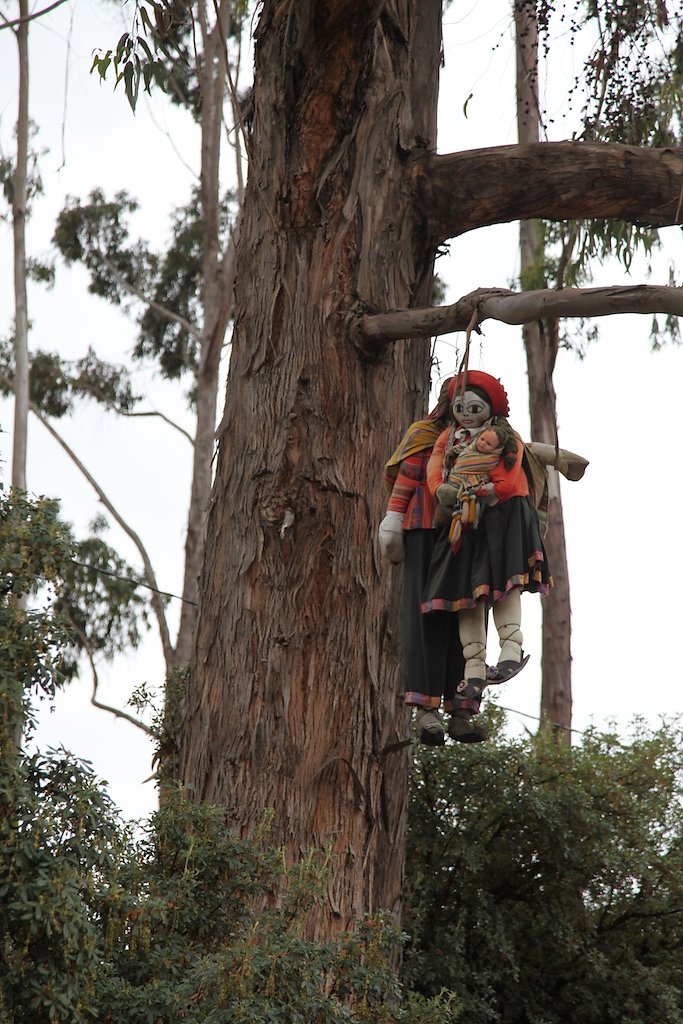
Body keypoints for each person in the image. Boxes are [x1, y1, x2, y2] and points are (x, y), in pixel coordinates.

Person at [421, 371, 552, 741]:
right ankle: (474, 668)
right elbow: (435, 466)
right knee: (467, 599)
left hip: (502, 520)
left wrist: (472, 490)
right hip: (464, 524)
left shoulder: (506, 439)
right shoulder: (449, 439)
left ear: (489, 408)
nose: (466, 413)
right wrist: (441, 490)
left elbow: (509, 483)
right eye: (460, 407)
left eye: (473, 407)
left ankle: (511, 648)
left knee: (504, 587)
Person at [378, 378, 469, 746]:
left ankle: (462, 706)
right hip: (423, 530)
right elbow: (410, 475)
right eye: (461, 402)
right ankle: (426, 709)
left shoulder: (489, 440)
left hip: (466, 534)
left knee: (466, 616)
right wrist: (393, 520)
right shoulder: (425, 433)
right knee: (425, 616)